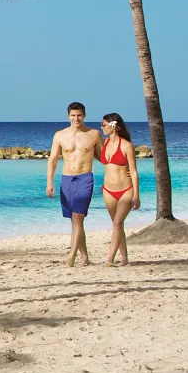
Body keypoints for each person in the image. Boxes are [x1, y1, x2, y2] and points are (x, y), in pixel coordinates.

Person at [45, 102, 103, 266]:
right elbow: (53, 159)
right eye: (73, 115)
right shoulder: (60, 135)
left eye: (79, 115)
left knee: (78, 217)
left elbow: (103, 157)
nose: (76, 118)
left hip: (85, 178)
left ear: (84, 115)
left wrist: (118, 170)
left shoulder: (94, 134)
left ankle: (71, 256)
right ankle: (84, 257)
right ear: (68, 116)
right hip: (66, 179)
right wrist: (50, 181)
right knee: (74, 220)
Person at [97, 111, 141, 265]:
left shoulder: (127, 146)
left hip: (125, 190)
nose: (101, 128)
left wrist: (136, 194)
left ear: (113, 126)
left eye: (103, 124)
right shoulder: (105, 143)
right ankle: (125, 258)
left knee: (117, 224)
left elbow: (134, 172)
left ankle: (109, 259)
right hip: (108, 190)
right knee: (117, 224)